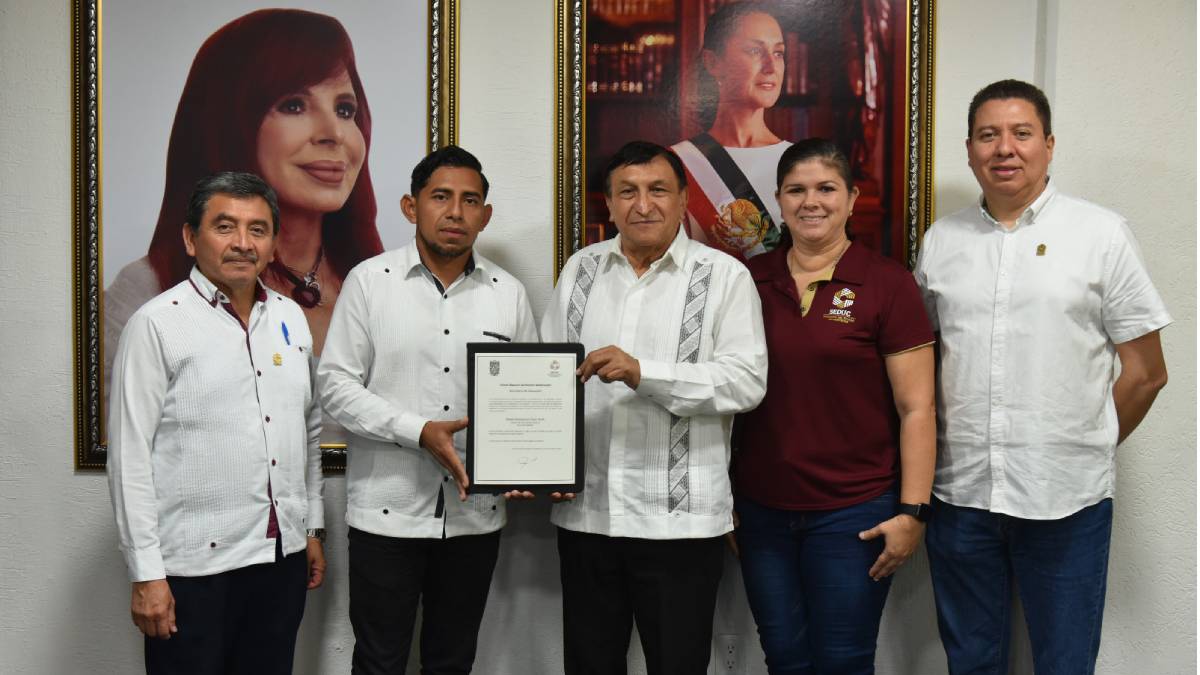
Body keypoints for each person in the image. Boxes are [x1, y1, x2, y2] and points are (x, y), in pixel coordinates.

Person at [915, 79, 1171, 674]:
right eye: (988, 135)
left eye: (1022, 133)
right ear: (970, 150)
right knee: (970, 662)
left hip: (1067, 498)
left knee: (1064, 662)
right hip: (960, 495)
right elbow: (925, 360)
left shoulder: (1100, 234)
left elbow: (1146, 373)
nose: (1005, 148)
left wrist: (1085, 442)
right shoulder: (941, 242)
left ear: (1049, 145)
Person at [541, 140, 768, 675]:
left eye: (658, 190)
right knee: (589, 666)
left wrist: (643, 373)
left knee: (678, 665)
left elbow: (746, 383)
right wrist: (540, 461)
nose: (643, 205)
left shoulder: (725, 276)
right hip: (588, 517)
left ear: (683, 198)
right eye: (628, 192)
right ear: (610, 202)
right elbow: (548, 379)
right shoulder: (581, 269)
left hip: (679, 525)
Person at [317, 146, 538, 675]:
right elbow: (335, 386)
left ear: (485, 214)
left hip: (473, 518)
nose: (456, 212)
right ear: (410, 206)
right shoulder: (369, 282)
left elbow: (529, 395)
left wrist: (528, 461)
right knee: (379, 661)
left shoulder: (508, 294)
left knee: (452, 662)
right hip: (385, 514)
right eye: (441, 197)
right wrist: (418, 431)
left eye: (470, 200)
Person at [104, 8, 383, 408]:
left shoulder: (377, 285)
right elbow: (128, 435)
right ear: (228, 122)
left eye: (345, 109)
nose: (334, 133)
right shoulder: (147, 292)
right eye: (294, 105)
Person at [107, 172, 326, 674]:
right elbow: (129, 457)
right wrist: (146, 574)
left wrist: (311, 527)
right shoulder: (157, 324)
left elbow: (308, 429)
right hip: (192, 571)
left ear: (273, 243)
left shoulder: (291, 319)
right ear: (190, 238)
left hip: (280, 561)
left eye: (258, 229)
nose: (243, 243)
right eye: (225, 227)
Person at [732, 138, 935, 674]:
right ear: (779, 200)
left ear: (851, 199)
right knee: (783, 656)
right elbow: (723, 396)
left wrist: (913, 512)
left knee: (843, 660)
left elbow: (917, 408)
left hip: (855, 511)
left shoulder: (888, 283)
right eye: (796, 190)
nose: (811, 202)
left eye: (826, 188)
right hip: (761, 510)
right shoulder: (749, 281)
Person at [671, 2, 791, 261]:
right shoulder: (678, 163)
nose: (771, 66)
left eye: (778, 53)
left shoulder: (803, 162)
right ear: (713, 63)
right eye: (754, 51)